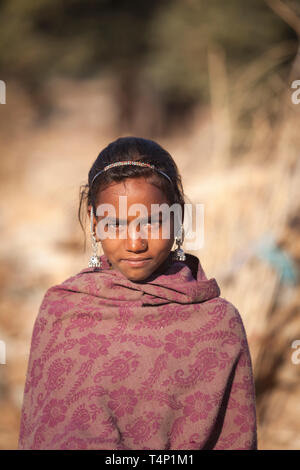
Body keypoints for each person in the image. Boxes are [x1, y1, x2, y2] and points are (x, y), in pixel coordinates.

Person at [18, 136, 257, 450]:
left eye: (154, 222)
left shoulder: (218, 323)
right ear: (94, 222)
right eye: (115, 224)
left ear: (178, 218)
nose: (135, 244)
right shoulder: (62, 312)